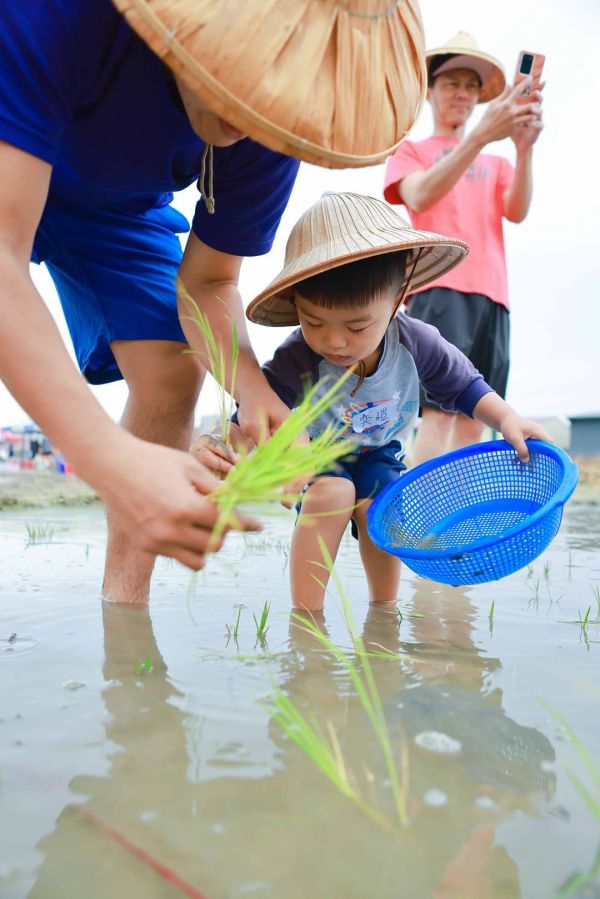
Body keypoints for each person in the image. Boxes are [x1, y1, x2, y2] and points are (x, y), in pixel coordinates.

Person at [0, 0, 426, 603]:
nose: (247, 118)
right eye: (233, 87)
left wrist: (251, 390)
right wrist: (107, 458)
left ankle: (125, 612)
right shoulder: (58, 13)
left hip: (116, 212)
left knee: (175, 369)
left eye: (270, 99)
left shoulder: (269, 126)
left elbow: (208, 283)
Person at [194, 192, 551, 611]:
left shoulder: (416, 342)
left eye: (358, 325)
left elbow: (466, 387)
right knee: (333, 494)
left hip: (381, 451)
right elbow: (254, 416)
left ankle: (385, 614)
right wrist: (219, 444)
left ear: (398, 298)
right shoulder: (298, 357)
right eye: (314, 322)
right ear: (296, 306)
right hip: (319, 458)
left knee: (383, 508)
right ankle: (307, 619)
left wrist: (507, 417)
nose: (335, 341)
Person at [383, 32, 544, 466]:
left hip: (494, 297)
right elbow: (417, 197)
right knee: (438, 413)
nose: (462, 94)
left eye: (471, 87)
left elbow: (517, 210)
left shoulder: (497, 162)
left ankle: (456, 529)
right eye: (452, 82)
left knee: (477, 418)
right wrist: (478, 138)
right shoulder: (412, 151)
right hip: (439, 288)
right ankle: (417, 525)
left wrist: (523, 149)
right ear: (431, 90)